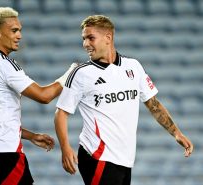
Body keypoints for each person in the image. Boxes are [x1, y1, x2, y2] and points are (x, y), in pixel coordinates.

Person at [54, 15, 194, 185]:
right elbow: (61, 113)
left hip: (125, 159)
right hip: (98, 157)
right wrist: (65, 148)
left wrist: (176, 133)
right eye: (83, 39)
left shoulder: (133, 66)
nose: (85, 44)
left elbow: (153, 104)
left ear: (108, 37)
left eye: (90, 38)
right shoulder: (81, 73)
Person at [0, 7, 77, 185]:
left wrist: (30, 136)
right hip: (3, 158)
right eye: (14, 30)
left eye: (20, 30)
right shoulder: (3, 64)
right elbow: (44, 96)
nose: (19, 36)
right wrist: (70, 74)